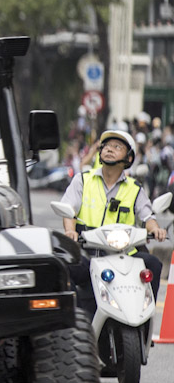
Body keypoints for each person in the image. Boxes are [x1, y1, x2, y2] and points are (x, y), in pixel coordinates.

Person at [59, 130, 166, 312]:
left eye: (117, 147)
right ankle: (72, 323)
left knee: (153, 264)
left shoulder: (134, 189)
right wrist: (70, 231)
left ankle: (145, 319)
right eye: (106, 146)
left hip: (124, 255)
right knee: (62, 267)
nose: (109, 150)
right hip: (88, 254)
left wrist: (156, 229)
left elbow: (148, 217)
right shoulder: (83, 180)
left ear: (129, 157)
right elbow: (68, 210)